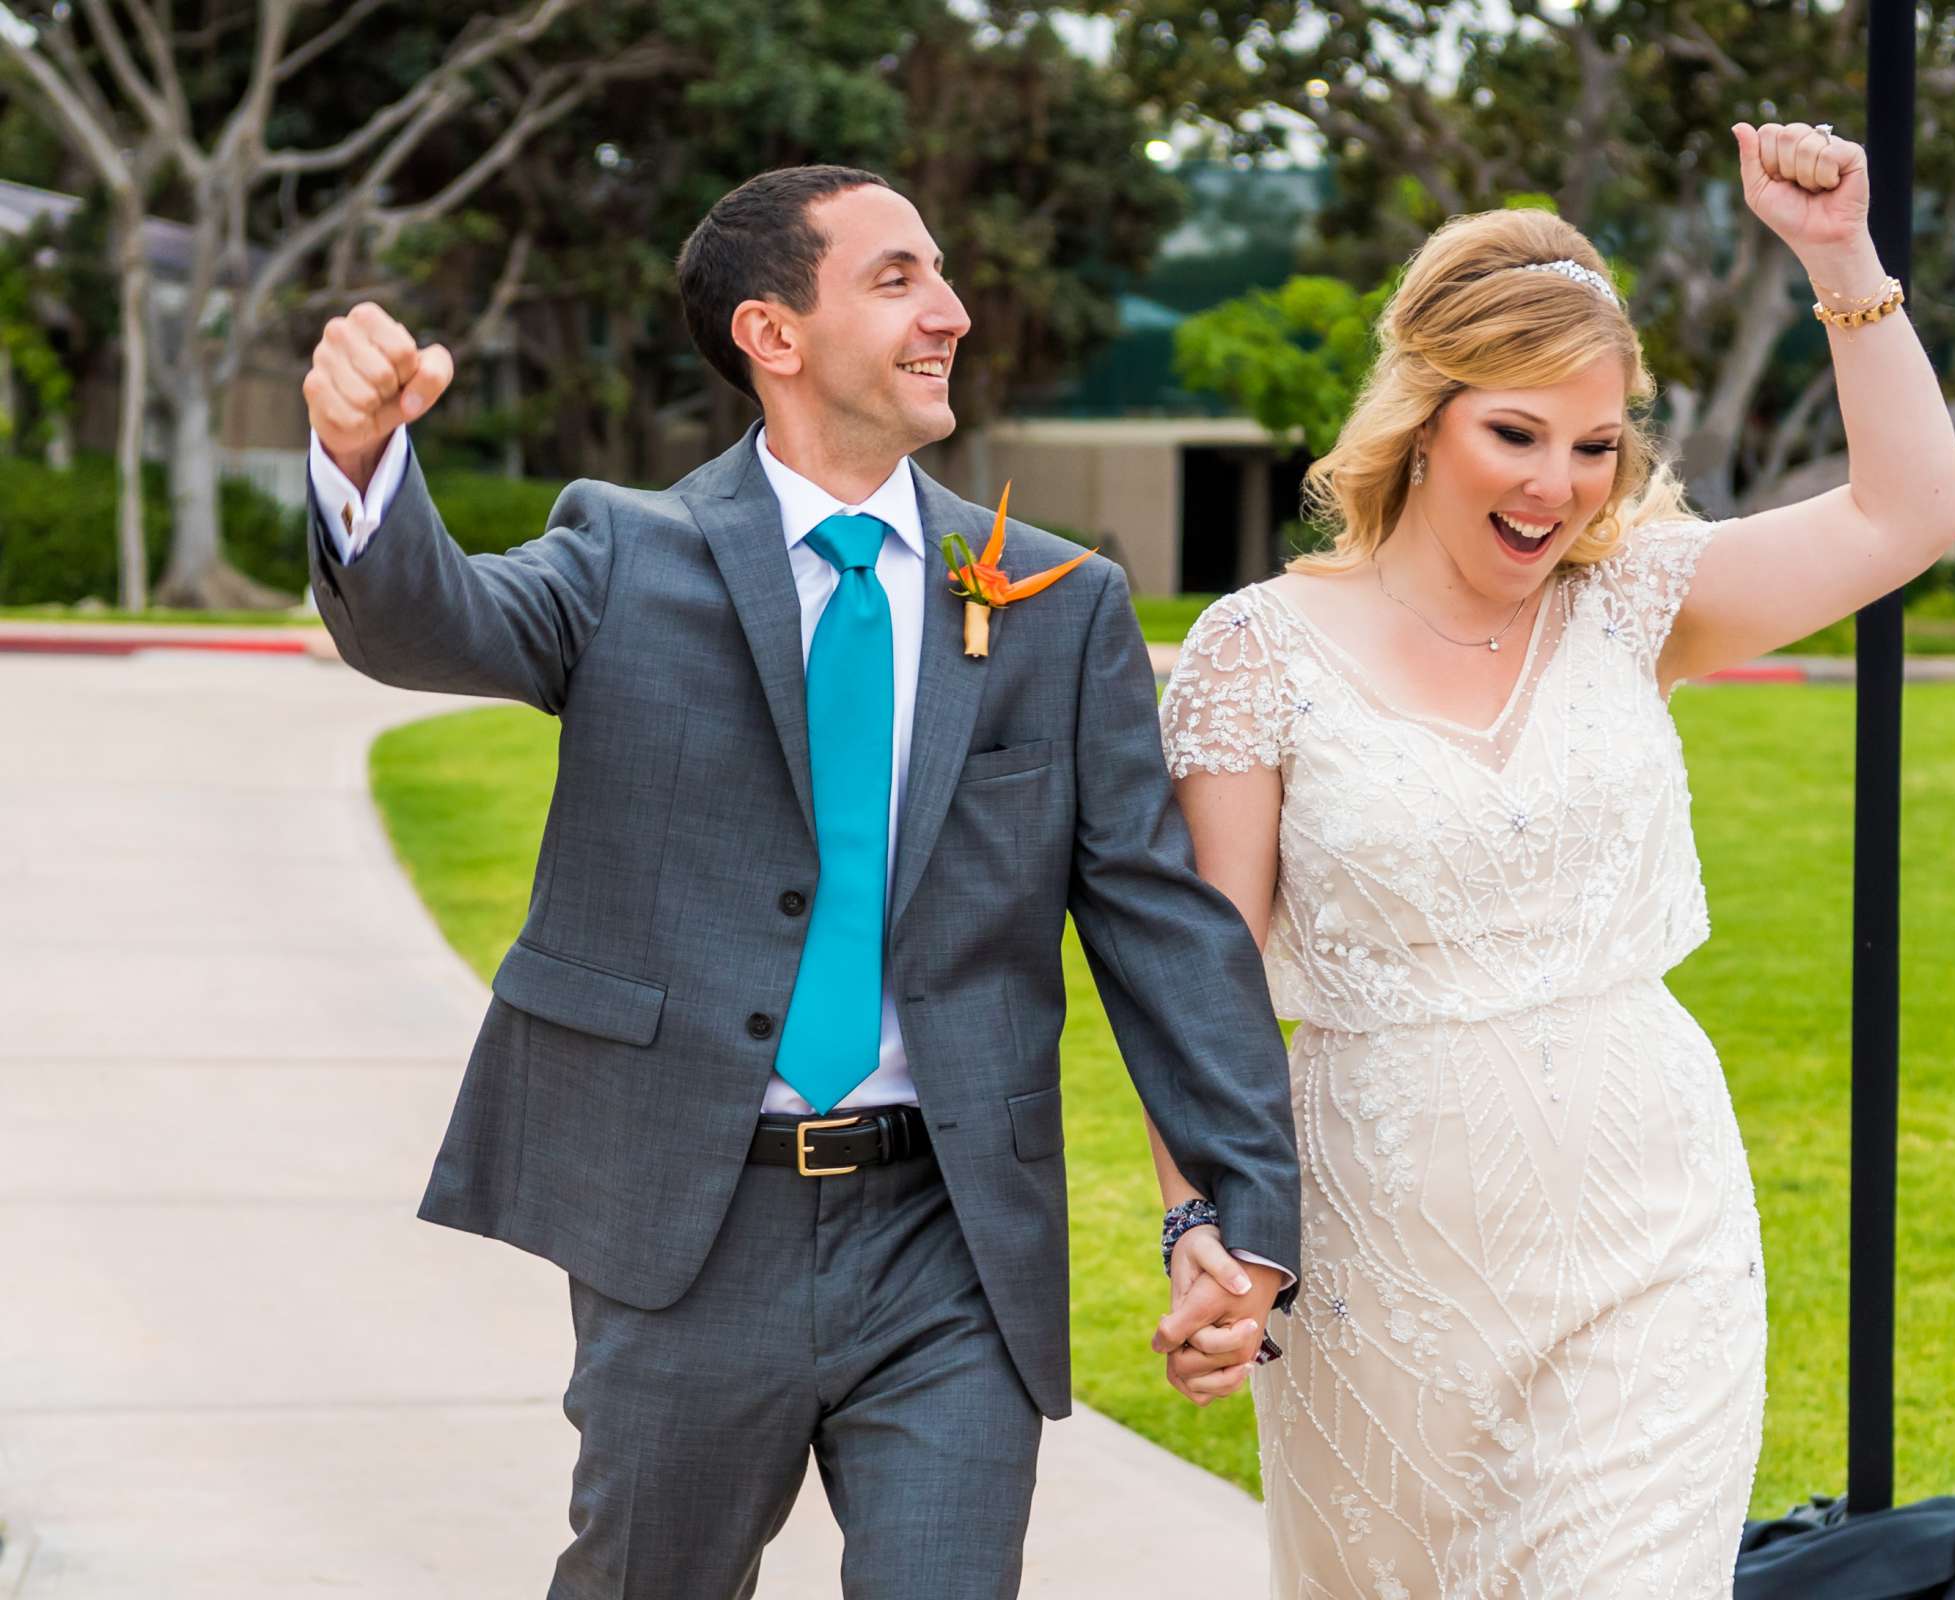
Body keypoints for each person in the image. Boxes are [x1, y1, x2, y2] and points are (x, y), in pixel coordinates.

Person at [299, 164, 1300, 1599]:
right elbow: (425, 622)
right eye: (897, 280)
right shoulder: (619, 554)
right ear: (772, 333)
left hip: (951, 1235)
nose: (950, 311)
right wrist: (357, 465)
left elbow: (1161, 927)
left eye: (942, 276)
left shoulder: (1057, 602)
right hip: (694, 1230)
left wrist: (1236, 1212)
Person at [1148, 121, 1955, 1595]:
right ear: (1421, 417)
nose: (1559, 488)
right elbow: (1198, 983)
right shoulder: (1256, 653)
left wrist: (1840, 260)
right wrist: (1202, 1228)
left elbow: (1911, 512)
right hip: (1376, 1255)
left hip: (1649, 1224)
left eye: (1596, 446)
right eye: (1515, 436)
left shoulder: (1637, 602)